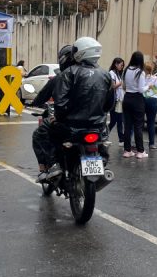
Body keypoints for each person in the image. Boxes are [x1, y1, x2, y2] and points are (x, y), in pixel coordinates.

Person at [52, 37, 114, 173]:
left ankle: (54, 167)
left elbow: (60, 103)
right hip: (97, 126)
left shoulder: (69, 73)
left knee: (47, 133)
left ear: (80, 52)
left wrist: (59, 118)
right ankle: (102, 161)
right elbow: (109, 104)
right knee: (104, 141)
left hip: (73, 126)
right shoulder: (106, 75)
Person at [31, 44, 75, 182]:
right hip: (92, 122)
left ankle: (49, 167)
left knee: (39, 134)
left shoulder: (60, 78)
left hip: (67, 122)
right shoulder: (93, 75)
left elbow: (41, 98)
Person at [122, 51, 148, 158]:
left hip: (127, 98)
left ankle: (127, 150)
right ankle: (140, 151)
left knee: (127, 126)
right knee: (138, 126)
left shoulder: (126, 70)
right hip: (137, 99)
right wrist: (149, 86)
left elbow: (124, 86)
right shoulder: (140, 72)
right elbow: (141, 90)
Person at [143, 62, 157, 151]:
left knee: (139, 123)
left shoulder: (141, 78)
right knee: (151, 122)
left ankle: (136, 144)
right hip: (153, 101)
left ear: (144, 69)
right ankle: (151, 144)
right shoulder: (156, 79)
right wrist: (154, 95)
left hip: (143, 100)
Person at [107, 57, 125, 146]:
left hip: (119, 100)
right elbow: (113, 86)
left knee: (118, 120)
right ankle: (106, 136)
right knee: (115, 120)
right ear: (116, 64)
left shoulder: (118, 73)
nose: (122, 67)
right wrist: (121, 83)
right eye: (121, 65)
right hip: (114, 100)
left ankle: (121, 139)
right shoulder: (112, 73)